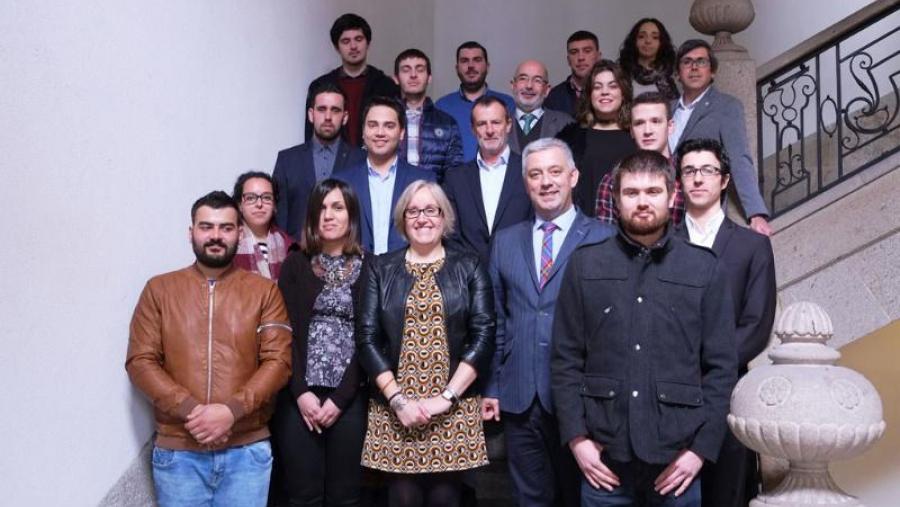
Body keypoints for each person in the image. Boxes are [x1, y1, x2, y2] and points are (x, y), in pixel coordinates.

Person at [551, 151, 737, 506]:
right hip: (604, 462)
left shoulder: (703, 269)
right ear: (616, 199)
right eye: (631, 192)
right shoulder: (585, 264)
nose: (642, 202)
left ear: (671, 196)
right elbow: (565, 360)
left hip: (677, 463)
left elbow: (722, 368)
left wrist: (700, 451)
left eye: (653, 192)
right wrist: (577, 439)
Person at [126, 191, 292, 507]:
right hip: (179, 452)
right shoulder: (159, 289)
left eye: (226, 228)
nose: (215, 236)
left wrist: (231, 410)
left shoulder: (264, 291)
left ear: (239, 234)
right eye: (206, 227)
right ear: (192, 232)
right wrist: (192, 411)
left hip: (247, 451)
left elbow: (279, 361)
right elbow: (140, 360)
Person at [482, 138, 614, 507]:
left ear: (573, 176)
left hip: (582, 399)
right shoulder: (505, 242)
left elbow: (612, 326)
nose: (546, 182)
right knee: (530, 499)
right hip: (520, 396)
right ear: (525, 183)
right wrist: (492, 385)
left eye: (555, 172)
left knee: (581, 497)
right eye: (535, 174)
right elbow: (496, 319)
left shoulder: (604, 239)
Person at [356, 180, 495, 507]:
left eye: (430, 210)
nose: (422, 218)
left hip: (452, 407)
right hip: (394, 408)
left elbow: (484, 333)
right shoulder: (380, 267)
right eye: (413, 211)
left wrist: (445, 399)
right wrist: (399, 401)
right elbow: (367, 337)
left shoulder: (470, 265)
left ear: (444, 216)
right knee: (402, 499)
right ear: (402, 220)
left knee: (446, 499)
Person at [675, 138, 776, 507]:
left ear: (725, 180)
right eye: (689, 171)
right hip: (671, 394)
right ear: (679, 182)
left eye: (708, 171)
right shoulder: (663, 244)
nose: (698, 179)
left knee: (729, 492)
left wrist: (709, 366)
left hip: (731, 392)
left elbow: (757, 324)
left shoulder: (752, 246)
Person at [270, 178, 369, 507]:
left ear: (351, 215)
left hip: (349, 398)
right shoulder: (296, 263)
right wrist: (300, 393)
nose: (328, 215)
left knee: (346, 497)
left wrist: (340, 399)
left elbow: (371, 340)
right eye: (322, 208)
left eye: (337, 207)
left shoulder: (373, 268)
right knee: (302, 496)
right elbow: (284, 333)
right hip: (299, 396)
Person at [668, 39, 772, 236]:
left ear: (713, 71)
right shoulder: (667, 109)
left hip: (701, 210)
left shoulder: (726, 106)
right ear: (678, 73)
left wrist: (756, 213)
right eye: (687, 62)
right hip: (665, 211)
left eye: (701, 62)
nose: (694, 67)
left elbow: (739, 158)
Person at [333, 96, 435, 254]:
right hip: (356, 273)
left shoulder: (423, 181)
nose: (380, 133)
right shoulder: (341, 182)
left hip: (407, 273)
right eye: (373, 125)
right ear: (363, 131)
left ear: (401, 133)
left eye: (389, 126)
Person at [442, 95, 533, 264]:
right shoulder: (455, 178)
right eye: (482, 124)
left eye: (496, 122)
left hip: (518, 273)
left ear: (508, 125)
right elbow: (450, 234)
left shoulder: (529, 170)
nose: (489, 130)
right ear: (473, 129)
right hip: (470, 277)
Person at [275, 83, 366, 239]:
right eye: (322, 109)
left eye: (335, 110)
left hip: (346, 254)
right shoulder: (287, 160)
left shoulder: (361, 159)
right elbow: (279, 217)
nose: (328, 117)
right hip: (298, 254)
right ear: (311, 115)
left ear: (345, 117)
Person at [304, 13, 400, 147]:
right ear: (337, 47)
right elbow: (310, 137)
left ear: (368, 43)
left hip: (374, 160)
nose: (353, 46)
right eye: (346, 41)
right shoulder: (320, 86)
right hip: (333, 163)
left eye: (358, 39)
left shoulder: (386, 85)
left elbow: (396, 129)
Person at [557, 60, 636, 214]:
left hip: (627, 225)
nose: (604, 92)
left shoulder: (637, 135)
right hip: (580, 226)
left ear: (623, 93)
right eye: (597, 87)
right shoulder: (571, 137)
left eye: (612, 86)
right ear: (589, 95)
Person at [596, 91, 685, 224]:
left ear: (670, 126)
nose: (648, 131)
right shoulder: (612, 180)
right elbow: (606, 238)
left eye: (656, 121)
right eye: (639, 123)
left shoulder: (686, 176)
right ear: (631, 130)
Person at [436, 41, 515, 161]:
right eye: (464, 61)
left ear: (487, 67)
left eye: (477, 60)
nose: (471, 66)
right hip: (453, 177)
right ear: (457, 68)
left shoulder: (507, 103)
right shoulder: (442, 106)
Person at [393, 48, 464, 182]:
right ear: (396, 78)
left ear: (429, 78)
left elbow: (455, 174)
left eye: (420, 69)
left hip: (432, 199)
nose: (413, 75)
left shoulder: (447, 123)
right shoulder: (385, 121)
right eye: (406, 70)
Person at [231, 171, 293, 280]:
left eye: (266, 198)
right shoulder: (228, 243)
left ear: (274, 205)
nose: (259, 204)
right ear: (239, 205)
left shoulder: (290, 246)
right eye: (250, 198)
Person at [507, 59, 573, 154]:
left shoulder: (566, 124)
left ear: (547, 90)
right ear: (513, 85)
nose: (529, 86)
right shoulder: (497, 123)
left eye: (537, 80)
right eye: (523, 78)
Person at [618, 18, 679, 100]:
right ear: (634, 41)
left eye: (655, 37)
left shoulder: (674, 74)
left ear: (662, 42)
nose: (648, 41)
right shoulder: (620, 74)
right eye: (641, 36)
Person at [545, 31, 602, 117]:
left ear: (598, 57)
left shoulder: (611, 93)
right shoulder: (554, 96)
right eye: (574, 52)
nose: (581, 57)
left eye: (587, 51)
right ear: (568, 60)